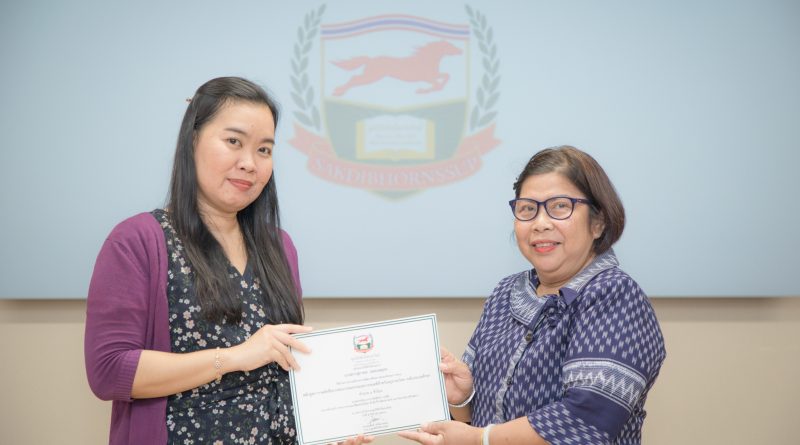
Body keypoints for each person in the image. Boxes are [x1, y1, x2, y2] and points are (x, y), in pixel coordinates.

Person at [84, 77, 371, 445]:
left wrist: (329, 428)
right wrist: (235, 357)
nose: (249, 163)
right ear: (192, 142)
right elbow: (109, 371)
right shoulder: (138, 241)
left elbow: (282, 370)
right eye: (234, 142)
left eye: (264, 150)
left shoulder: (279, 246)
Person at [400, 146, 666, 445]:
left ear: (598, 222)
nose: (540, 223)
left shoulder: (615, 295)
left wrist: (479, 440)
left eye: (560, 206)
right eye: (528, 209)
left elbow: (587, 420)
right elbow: (480, 422)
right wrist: (464, 399)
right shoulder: (507, 292)